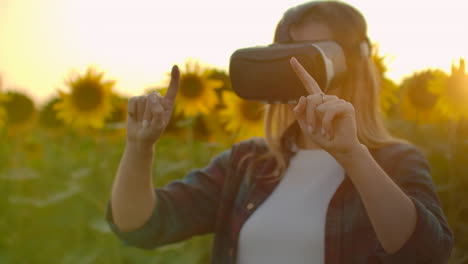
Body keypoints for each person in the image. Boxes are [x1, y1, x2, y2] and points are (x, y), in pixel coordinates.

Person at [105, 1, 454, 263]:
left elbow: (426, 253)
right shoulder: (248, 162)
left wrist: (353, 156)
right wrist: (139, 148)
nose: (301, 69)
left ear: (355, 65)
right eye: (289, 56)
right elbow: (141, 226)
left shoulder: (395, 162)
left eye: (315, 55)